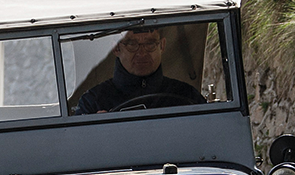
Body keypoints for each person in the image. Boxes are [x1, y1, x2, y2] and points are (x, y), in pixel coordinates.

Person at [74, 29, 205, 114]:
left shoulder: (188, 97)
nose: (142, 53)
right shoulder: (92, 102)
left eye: (150, 44)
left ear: (162, 45)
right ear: (116, 48)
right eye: (132, 44)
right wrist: (97, 130)